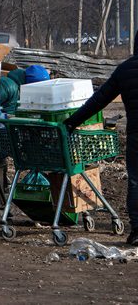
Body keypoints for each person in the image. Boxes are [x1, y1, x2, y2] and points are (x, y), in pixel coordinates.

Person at [64, 35, 138, 246]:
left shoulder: (124, 70)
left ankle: (137, 231)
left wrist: (72, 122)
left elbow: (99, 100)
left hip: (136, 135)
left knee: (136, 181)